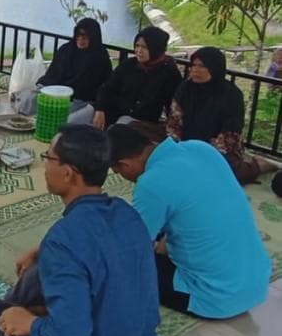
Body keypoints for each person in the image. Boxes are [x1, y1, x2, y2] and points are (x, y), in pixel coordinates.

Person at [0, 125, 160, 336]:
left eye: (49, 158)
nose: (44, 166)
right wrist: (42, 252)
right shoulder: (126, 213)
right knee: (37, 270)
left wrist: (31, 324)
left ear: (68, 172)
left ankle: (21, 315)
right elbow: (99, 252)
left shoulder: (63, 240)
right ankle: (23, 312)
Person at [108, 124, 271, 319]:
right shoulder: (200, 148)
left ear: (125, 164)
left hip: (216, 297)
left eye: (118, 172)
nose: (123, 177)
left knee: (119, 265)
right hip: (256, 282)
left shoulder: (151, 183)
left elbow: (130, 249)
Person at [167, 46, 277, 184]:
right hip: (186, 142)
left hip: (217, 147)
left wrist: (204, 152)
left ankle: (258, 166)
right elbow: (175, 120)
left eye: (202, 66)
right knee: (166, 161)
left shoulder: (231, 94)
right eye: (193, 65)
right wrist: (176, 145)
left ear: (214, 68)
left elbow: (231, 131)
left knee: (223, 176)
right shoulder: (185, 88)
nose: (195, 70)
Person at [17, 18, 112, 124]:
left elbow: (105, 86)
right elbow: (52, 74)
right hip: (56, 92)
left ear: (93, 38)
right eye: (78, 35)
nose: (81, 39)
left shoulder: (100, 57)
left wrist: (99, 107)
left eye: (85, 37)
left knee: (65, 120)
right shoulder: (67, 49)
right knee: (28, 100)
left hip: (80, 99)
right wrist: (45, 87)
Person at [93, 26, 182, 137]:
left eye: (145, 47)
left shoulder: (169, 73)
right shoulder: (129, 64)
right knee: (82, 118)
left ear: (156, 48)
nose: (139, 51)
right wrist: (100, 109)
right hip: (114, 111)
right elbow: (107, 88)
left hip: (140, 122)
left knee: (117, 130)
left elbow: (173, 106)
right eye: (137, 46)